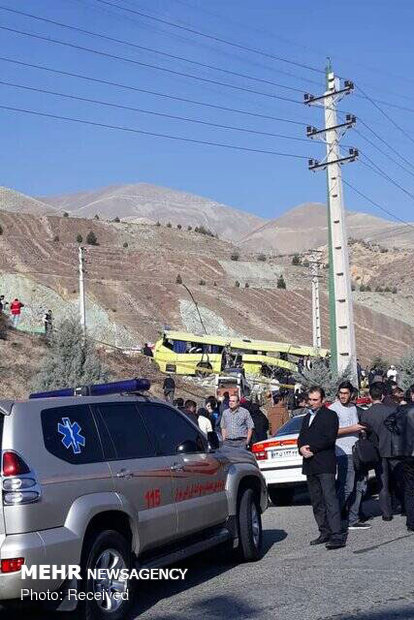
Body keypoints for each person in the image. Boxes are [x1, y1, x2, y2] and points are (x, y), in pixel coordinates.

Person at [297, 386, 346, 549]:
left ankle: (337, 535)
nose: (312, 403)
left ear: (323, 400)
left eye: (315, 400)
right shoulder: (306, 417)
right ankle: (324, 531)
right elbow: (301, 437)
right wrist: (301, 449)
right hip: (310, 465)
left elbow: (329, 438)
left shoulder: (330, 415)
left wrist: (312, 449)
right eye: (310, 399)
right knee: (317, 501)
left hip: (325, 464)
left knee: (330, 499)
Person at [329, 381, 370, 530]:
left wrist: (361, 431)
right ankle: (334, 519)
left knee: (360, 485)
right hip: (343, 453)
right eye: (341, 393)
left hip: (357, 451)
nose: (343, 396)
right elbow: (332, 431)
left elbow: (356, 426)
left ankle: (354, 519)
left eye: (346, 393)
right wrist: (353, 428)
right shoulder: (333, 409)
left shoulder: (353, 408)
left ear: (351, 394)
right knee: (347, 487)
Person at [359, 382, 402, 521]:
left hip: (377, 451)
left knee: (382, 483)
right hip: (393, 450)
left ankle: (386, 513)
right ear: (382, 396)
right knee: (399, 479)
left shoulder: (366, 414)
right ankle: (404, 507)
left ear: (370, 397)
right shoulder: (391, 411)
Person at [384, 403, 414, 531]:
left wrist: (400, 434)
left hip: (407, 453)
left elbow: (388, 422)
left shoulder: (403, 409)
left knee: (409, 489)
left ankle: (411, 522)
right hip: (408, 452)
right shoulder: (404, 409)